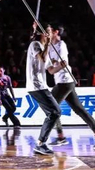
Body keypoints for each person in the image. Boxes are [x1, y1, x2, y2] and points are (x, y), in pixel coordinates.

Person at [46, 24, 95, 148]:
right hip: (62, 81)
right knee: (79, 109)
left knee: (51, 107)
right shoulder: (49, 46)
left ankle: (61, 136)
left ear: (56, 32)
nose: (47, 32)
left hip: (65, 81)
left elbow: (63, 63)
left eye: (50, 30)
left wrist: (54, 67)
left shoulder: (61, 45)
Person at [26, 26, 69, 156]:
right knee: (55, 112)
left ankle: (41, 143)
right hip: (35, 85)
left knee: (53, 113)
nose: (50, 34)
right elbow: (42, 58)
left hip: (41, 85)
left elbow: (50, 70)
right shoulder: (35, 45)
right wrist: (48, 45)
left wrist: (61, 66)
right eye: (49, 32)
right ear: (43, 33)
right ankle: (40, 144)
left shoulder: (45, 48)